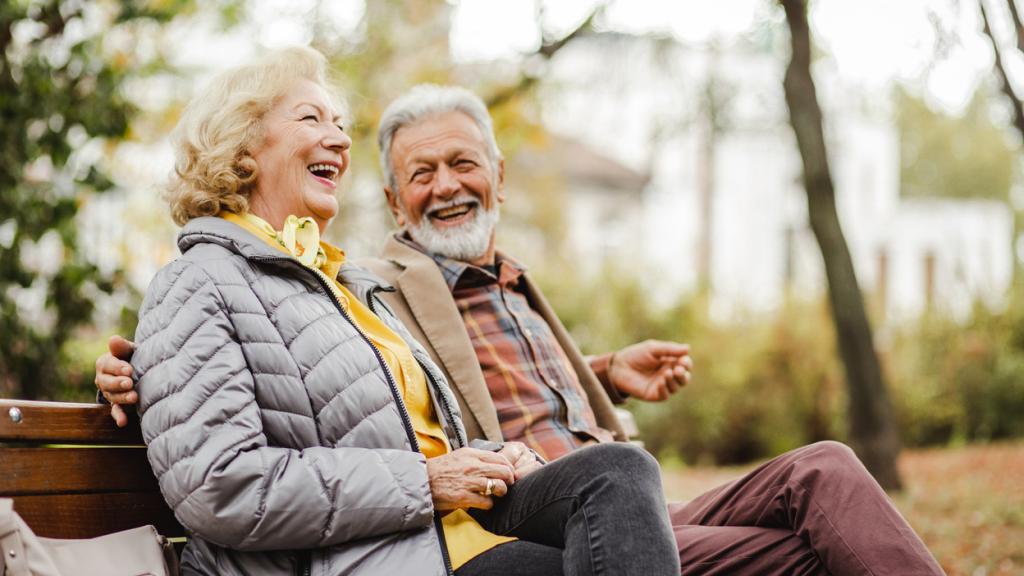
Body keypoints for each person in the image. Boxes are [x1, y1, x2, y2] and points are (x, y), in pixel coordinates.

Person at [99, 81, 945, 574]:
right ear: (394, 203)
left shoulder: (364, 280)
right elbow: (226, 421)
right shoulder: (378, 278)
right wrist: (137, 374)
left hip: (589, 499)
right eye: (419, 174)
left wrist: (605, 372)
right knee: (775, 544)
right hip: (504, 516)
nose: (445, 186)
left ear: (501, 175)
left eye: (463, 164)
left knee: (822, 480)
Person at [124, 46, 679, 576]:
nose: (339, 140)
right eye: (312, 119)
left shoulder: (341, 284)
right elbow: (220, 484)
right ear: (243, 148)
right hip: (361, 557)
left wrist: (493, 457)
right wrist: (427, 481)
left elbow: (406, 438)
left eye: (339, 124)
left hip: (449, 531)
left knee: (619, 470)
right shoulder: (197, 282)